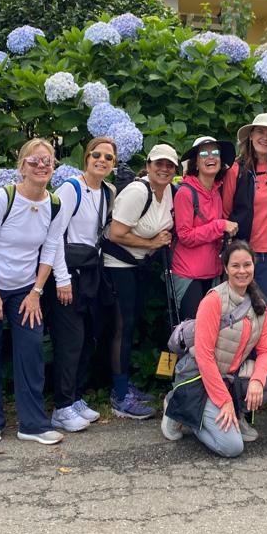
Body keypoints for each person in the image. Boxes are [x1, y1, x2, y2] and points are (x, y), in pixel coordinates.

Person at [0, 138, 66, 444]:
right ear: (22, 167)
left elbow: (49, 250)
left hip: (25, 287)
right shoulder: (2, 198)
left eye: (47, 161)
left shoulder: (55, 204)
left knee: (31, 351)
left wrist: (36, 292)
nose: (41, 166)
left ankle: (33, 424)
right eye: (34, 161)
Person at [161, 240, 267, 457]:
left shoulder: (259, 303)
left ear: (254, 266)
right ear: (225, 268)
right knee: (232, 447)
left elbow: (266, 352)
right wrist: (224, 401)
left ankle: (237, 410)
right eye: (235, 266)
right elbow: (204, 358)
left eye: (247, 265)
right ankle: (181, 409)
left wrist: (257, 381)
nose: (242, 271)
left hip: (232, 375)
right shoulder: (213, 300)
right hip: (199, 378)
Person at [43, 137, 116, 434]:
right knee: (69, 341)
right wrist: (61, 279)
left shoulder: (106, 192)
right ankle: (61, 407)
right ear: (86, 158)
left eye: (108, 157)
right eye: (96, 155)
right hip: (67, 275)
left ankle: (75, 398)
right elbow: (53, 235)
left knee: (87, 339)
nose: (102, 160)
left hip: (89, 274)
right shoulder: (71, 189)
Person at [102, 144, 178, 419]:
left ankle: (125, 386)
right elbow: (116, 233)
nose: (164, 169)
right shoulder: (137, 191)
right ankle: (119, 395)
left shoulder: (170, 191)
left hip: (140, 266)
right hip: (119, 266)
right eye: (158, 163)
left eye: (169, 165)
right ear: (147, 166)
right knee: (123, 326)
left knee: (132, 323)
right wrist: (151, 242)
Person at [222, 113, 267, 305]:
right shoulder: (236, 170)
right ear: (251, 136)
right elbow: (226, 212)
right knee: (238, 306)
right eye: (260, 132)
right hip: (242, 252)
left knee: (263, 305)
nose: (265, 137)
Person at [171, 135, 238, 320]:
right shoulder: (185, 193)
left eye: (215, 152)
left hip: (213, 272)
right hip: (188, 274)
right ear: (196, 163)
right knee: (191, 332)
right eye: (204, 154)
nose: (211, 157)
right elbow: (185, 236)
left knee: (210, 331)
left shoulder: (217, 191)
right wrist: (220, 226)